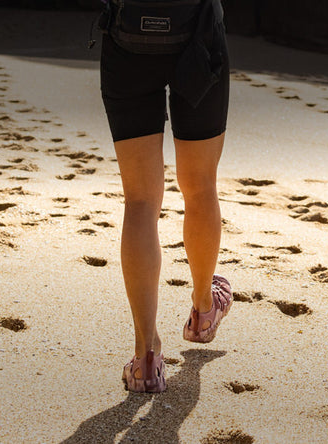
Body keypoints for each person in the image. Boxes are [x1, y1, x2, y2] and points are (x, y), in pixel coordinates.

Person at [98, 0, 233, 393]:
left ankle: (145, 359)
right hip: (199, 33)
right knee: (201, 186)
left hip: (128, 38)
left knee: (140, 201)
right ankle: (204, 308)